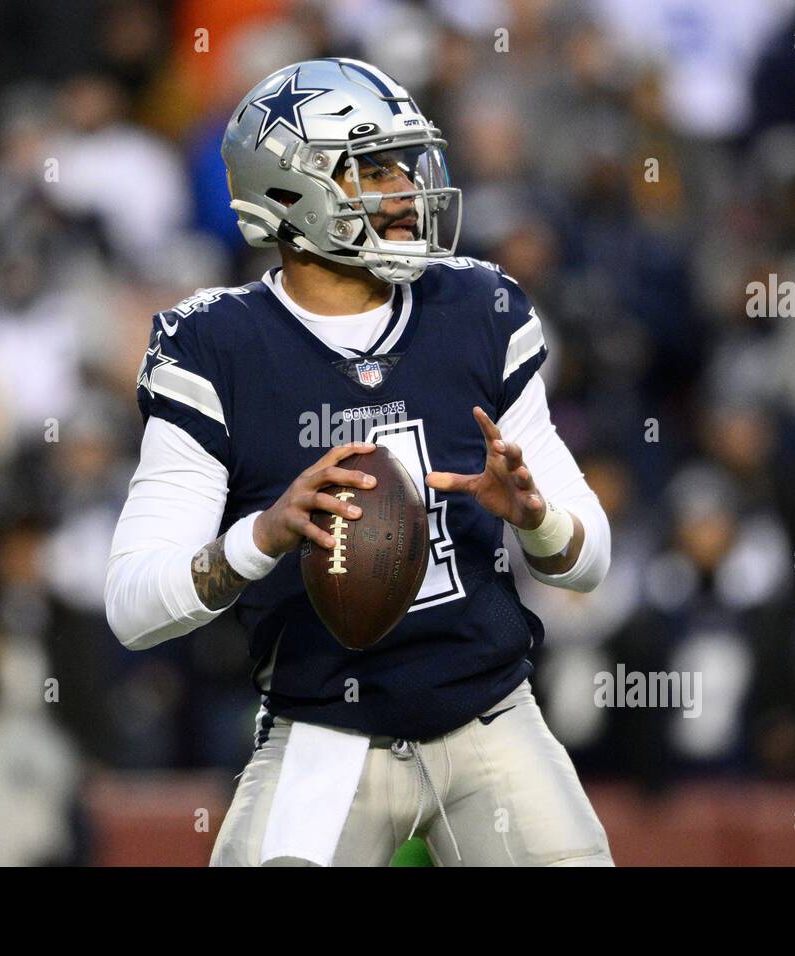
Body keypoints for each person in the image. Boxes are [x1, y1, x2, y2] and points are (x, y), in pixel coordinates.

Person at [105, 58, 613, 867]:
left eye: (409, 166)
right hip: (323, 730)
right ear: (288, 190)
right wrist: (261, 538)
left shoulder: (477, 307)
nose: (408, 192)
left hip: (489, 716)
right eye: (374, 170)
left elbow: (589, 563)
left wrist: (537, 518)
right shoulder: (215, 347)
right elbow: (132, 607)